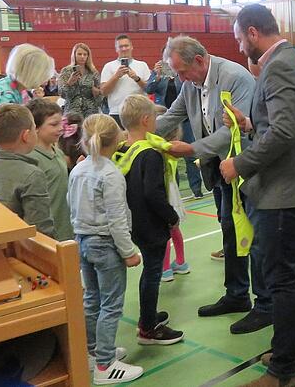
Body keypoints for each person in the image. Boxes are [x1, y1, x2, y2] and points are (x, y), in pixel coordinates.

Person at [222, 3, 295, 387]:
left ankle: (283, 370)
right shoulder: (293, 59)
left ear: (253, 32)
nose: (240, 47)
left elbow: (284, 132)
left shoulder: (280, 65)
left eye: (240, 39)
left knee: (282, 279)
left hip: (284, 191)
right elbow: (285, 123)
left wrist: (240, 164)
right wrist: (251, 123)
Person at [155, 36, 270, 334]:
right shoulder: (189, 85)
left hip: (248, 168)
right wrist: (133, 134)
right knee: (230, 231)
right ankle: (237, 294)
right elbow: (172, 116)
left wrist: (192, 149)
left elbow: (232, 132)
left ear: (199, 60)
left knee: (255, 235)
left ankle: (265, 304)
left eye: (182, 72)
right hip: (220, 169)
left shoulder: (235, 77)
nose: (181, 79)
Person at [68, 113, 144, 385]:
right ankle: (105, 365)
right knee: (111, 305)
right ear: (117, 140)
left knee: (92, 300)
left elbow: (71, 206)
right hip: (104, 244)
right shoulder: (111, 174)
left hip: (82, 241)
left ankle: (93, 352)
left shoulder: (78, 169)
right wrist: (128, 251)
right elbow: (116, 219)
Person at [115, 95, 184, 346]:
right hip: (150, 223)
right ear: (146, 120)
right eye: (155, 117)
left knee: (150, 271)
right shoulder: (150, 154)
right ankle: (148, 329)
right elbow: (153, 193)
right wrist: (171, 217)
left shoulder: (121, 150)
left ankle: (148, 315)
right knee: (153, 273)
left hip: (130, 220)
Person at [0, 103, 56, 237]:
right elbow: (40, 229)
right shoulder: (32, 175)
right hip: (21, 245)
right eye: (34, 128)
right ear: (26, 135)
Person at [147, 54, 203, 199]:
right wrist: (156, 76)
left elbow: (186, 92)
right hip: (165, 119)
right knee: (169, 155)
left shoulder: (182, 75)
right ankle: (173, 190)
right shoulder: (158, 73)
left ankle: (196, 189)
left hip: (185, 119)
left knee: (189, 154)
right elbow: (148, 88)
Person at [27, 99, 73, 241]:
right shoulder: (31, 159)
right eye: (54, 124)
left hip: (66, 227)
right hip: (47, 233)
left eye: (61, 123)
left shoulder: (57, 152)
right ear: (35, 127)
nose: (61, 128)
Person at [154, 104, 190, 283]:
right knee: (175, 228)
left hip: (166, 194)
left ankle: (165, 268)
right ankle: (181, 262)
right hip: (172, 193)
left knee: (164, 232)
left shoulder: (161, 151)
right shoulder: (172, 149)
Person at [100, 35, 148, 126]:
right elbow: (103, 92)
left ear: (131, 47)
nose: (124, 49)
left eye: (126, 46)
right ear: (116, 49)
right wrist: (116, 76)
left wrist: (136, 78)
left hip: (139, 111)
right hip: (116, 112)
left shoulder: (142, 65)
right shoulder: (108, 66)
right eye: (121, 46)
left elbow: (148, 89)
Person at [58, 43, 102, 119]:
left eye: (85, 54)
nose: (82, 57)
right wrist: (69, 83)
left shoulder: (93, 72)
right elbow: (61, 93)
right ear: (74, 55)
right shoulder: (66, 71)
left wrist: (96, 92)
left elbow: (101, 96)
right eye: (79, 54)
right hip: (72, 113)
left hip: (91, 112)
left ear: (88, 56)